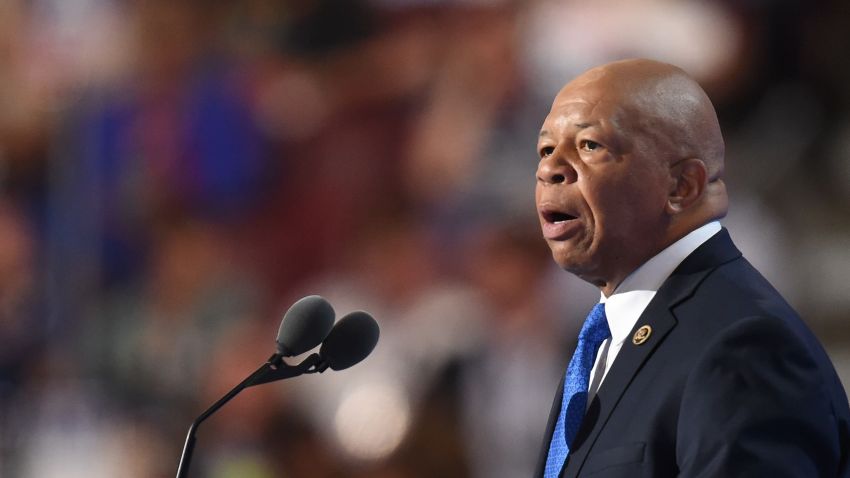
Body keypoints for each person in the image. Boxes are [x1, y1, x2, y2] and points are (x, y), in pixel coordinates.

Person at [532, 58, 850, 478]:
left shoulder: (744, 347)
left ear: (682, 187)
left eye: (590, 145)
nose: (549, 169)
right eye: (546, 149)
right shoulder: (604, 342)